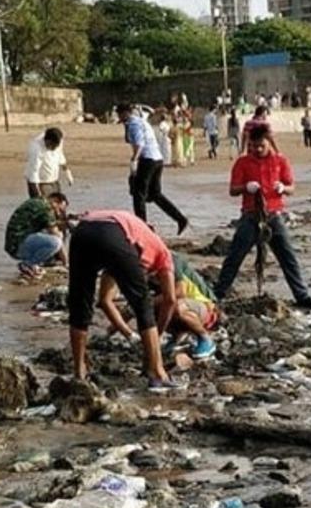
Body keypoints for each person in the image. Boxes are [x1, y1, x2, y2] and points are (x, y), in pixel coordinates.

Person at [67, 209, 182, 391]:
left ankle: (79, 372)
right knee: (143, 302)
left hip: (82, 231)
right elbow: (170, 300)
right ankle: (157, 373)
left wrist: (129, 333)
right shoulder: (163, 253)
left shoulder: (131, 244)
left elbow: (104, 299)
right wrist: (156, 338)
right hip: (112, 232)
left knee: (79, 302)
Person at [214, 123, 311, 309]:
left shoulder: (280, 161)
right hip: (250, 216)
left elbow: (292, 187)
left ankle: (302, 296)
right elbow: (232, 190)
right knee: (234, 257)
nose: (257, 150)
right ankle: (218, 294)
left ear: (269, 142)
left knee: (288, 257)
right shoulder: (243, 162)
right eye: (253, 146)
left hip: (274, 216)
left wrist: (283, 188)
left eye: (261, 146)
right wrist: (246, 187)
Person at [99, 251, 218, 360]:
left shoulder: (168, 258)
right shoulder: (141, 268)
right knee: (150, 306)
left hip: (204, 307)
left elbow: (179, 292)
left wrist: (149, 304)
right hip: (183, 309)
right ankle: (177, 338)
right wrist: (108, 333)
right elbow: (132, 308)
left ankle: (205, 339)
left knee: (174, 305)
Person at [118, 103, 188, 234]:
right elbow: (129, 139)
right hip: (158, 159)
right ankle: (180, 219)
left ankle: (142, 227)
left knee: (138, 194)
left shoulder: (134, 124)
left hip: (147, 159)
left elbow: (139, 144)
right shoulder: (140, 121)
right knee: (155, 194)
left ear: (124, 114)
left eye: (120, 115)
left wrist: (134, 161)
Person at [4, 193, 68, 279]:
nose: (58, 213)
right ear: (55, 201)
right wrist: (66, 263)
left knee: (51, 235)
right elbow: (55, 233)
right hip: (18, 245)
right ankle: (28, 264)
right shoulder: (46, 208)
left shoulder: (38, 201)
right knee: (56, 242)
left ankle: (32, 265)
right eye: (60, 209)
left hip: (14, 244)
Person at [24, 127, 74, 198]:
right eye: (52, 146)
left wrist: (67, 172)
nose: (54, 149)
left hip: (54, 181)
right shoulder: (36, 149)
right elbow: (33, 173)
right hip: (40, 183)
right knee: (45, 206)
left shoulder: (58, 140)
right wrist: (38, 196)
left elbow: (60, 154)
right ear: (47, 141)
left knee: (58, 204)